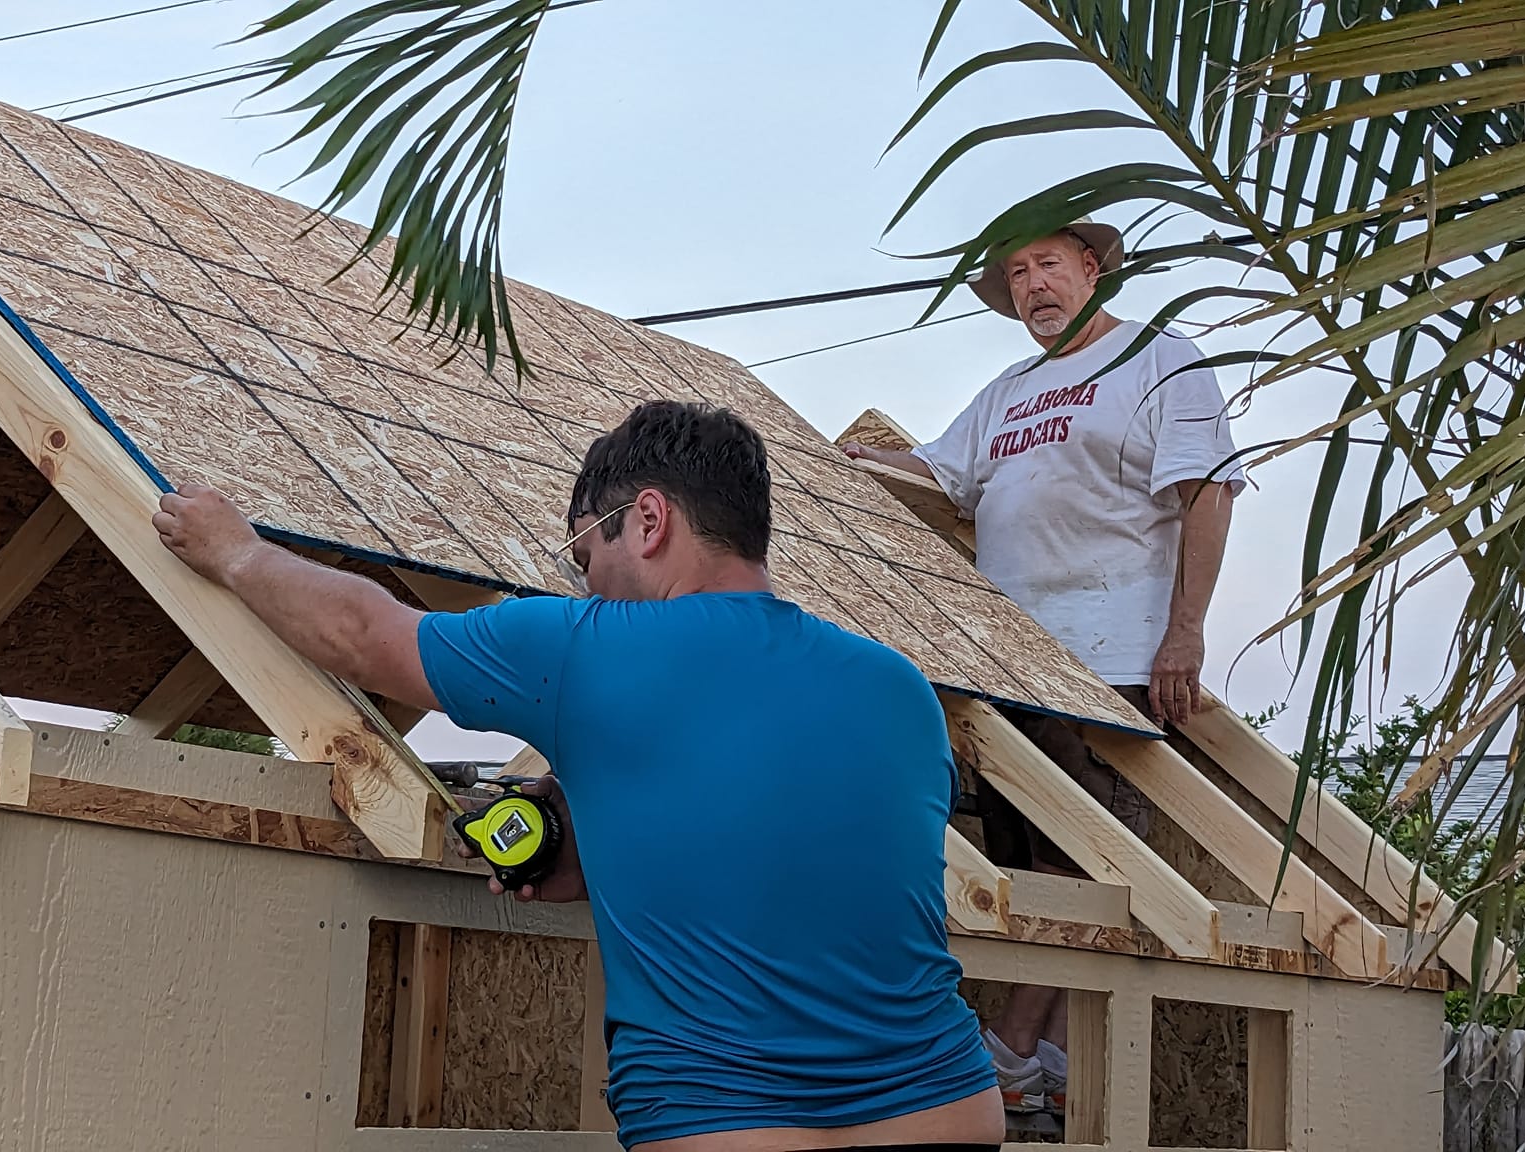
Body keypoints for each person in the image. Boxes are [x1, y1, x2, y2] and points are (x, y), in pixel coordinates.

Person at [156, 400, 1004, 1151]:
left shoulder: (586, 646)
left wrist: (233, 552)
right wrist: (603, 845)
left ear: (646, 520)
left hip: (728, 1117)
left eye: (580, 550)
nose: (582, 579)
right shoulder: (899, 687)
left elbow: (364, 635)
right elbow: (803, 846)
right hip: (947, 1104)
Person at [842, 218, 1246, 1114]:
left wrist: (1186, 633)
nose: (1032, 285)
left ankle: (1011, 1050)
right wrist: (855, 464)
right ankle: (1057, 1069)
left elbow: (1207, 490)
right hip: (1012, 657)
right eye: (1016, 274)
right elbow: (939, 475)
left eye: (1048, 265)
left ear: (1093, 271)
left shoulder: (1159, 359)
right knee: (1033, 858)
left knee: (1080, 850)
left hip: (1110, 652)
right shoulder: (1007, 392)